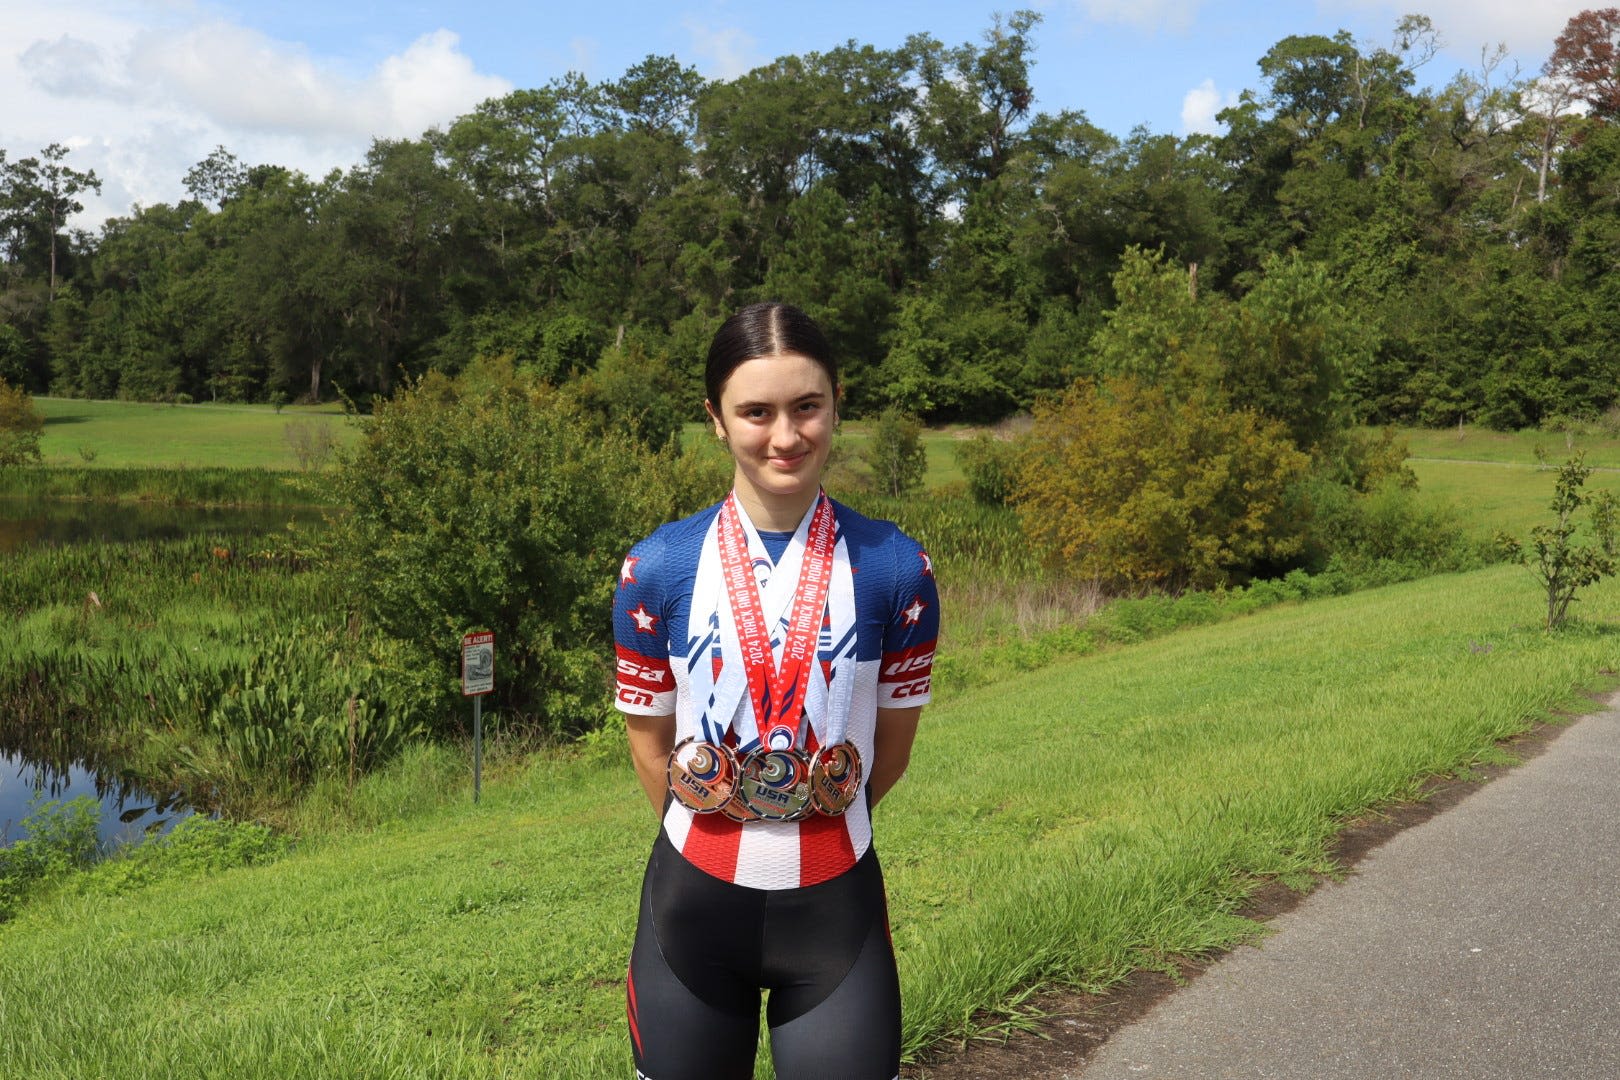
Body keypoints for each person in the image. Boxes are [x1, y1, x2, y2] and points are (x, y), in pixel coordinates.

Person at [612, 302, 940, 1080]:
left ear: (836, 404)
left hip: (836, 914)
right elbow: (650, 745)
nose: (785, 436)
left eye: (807, 407)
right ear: (717, 421)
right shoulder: (656, 569)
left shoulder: (897, 568)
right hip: (692, 907)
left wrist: (806, 816)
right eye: (755, 411)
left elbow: (887, 758)